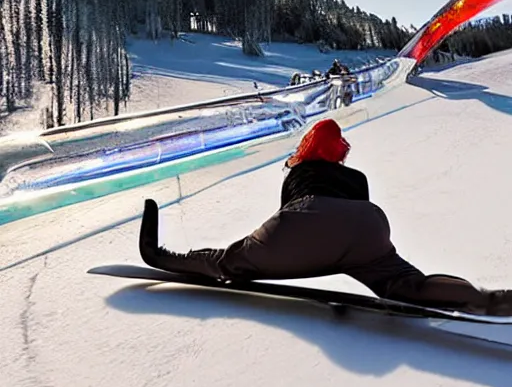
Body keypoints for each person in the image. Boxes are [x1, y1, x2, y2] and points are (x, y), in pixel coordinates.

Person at [138, 118, 512, 316]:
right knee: (406, 283)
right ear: (340, 151)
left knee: (230, 261)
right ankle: (488, 299)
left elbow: (291, 216)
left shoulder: (298, 171)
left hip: (303, 220)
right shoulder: (356, 177)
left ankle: (160, 255)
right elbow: (353, 219)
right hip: (367, 225)